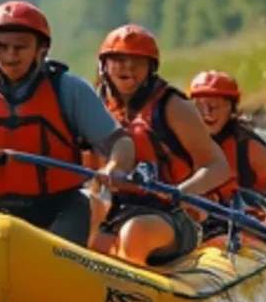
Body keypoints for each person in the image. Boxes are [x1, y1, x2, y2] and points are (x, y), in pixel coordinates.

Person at [0, 0, 135, 246]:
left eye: (20, 47)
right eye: (3, 47)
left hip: (62, 205)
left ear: (40, 49)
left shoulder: (69, 89)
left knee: (66, 232)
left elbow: (120, 142)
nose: (10, 56)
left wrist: (114, 168)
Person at [92, 25, 232, 266]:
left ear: (151, 68)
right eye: (118, 60)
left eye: (136, 61)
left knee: (135, 233)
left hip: (173, 215)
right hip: (118, 209)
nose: (126, 67)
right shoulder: (96, 105)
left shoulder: (173, 106)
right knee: (88, 223)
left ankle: (131, 291)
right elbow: (90, 172)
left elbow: (218, 166)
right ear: (104, 66)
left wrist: (182, 192)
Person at [188, 69, 266, 225]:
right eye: (199, 106)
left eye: (214, 105)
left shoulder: (248, 147)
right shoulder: (183, 141)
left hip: (249, 224)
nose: (207, 113)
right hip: (203, 223)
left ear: (232, 109)